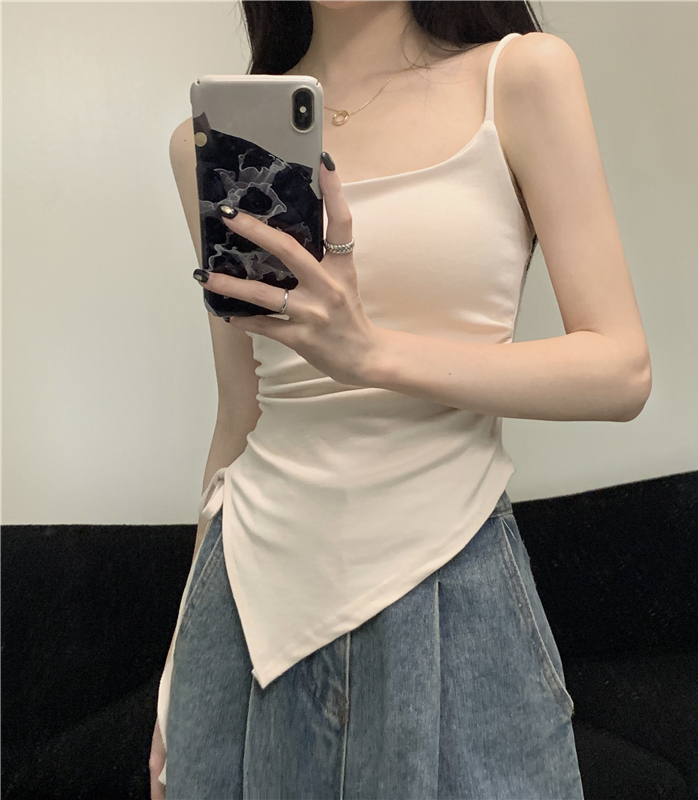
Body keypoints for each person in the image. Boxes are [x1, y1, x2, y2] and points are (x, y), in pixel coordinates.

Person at [150, 1, 651, 798]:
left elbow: (620, 370)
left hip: (450, 575)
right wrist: (179, 660)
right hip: (243, 608)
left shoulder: (518, 76)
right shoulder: (210, 145)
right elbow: (240, 420)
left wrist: (371, 353)